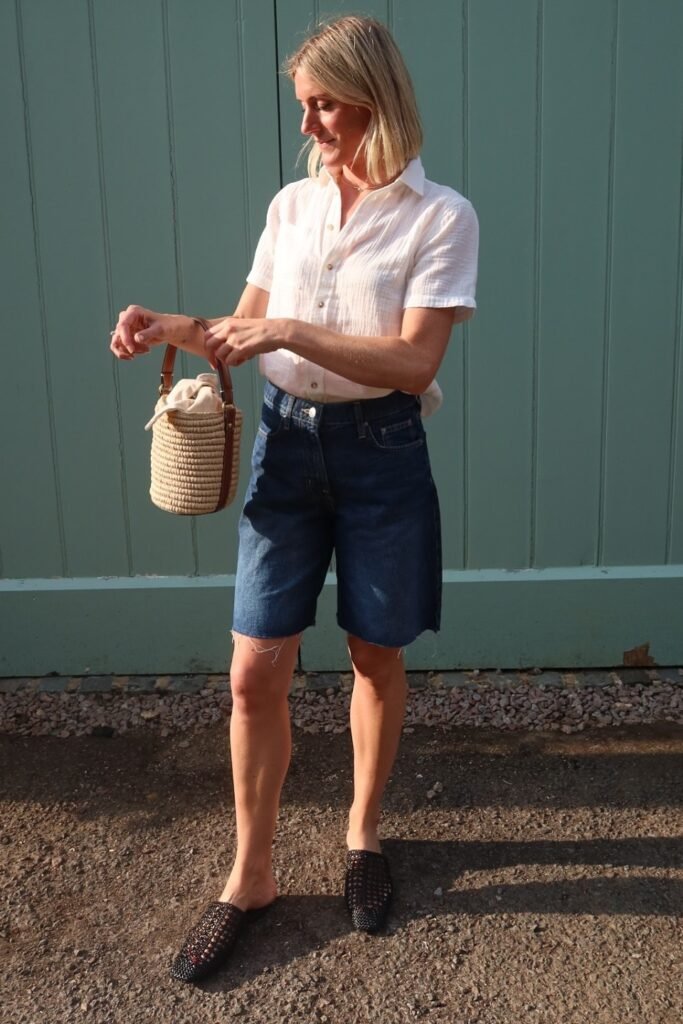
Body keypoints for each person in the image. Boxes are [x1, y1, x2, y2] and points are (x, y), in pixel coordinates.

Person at [110, 14, 478, 983]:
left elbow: (410, 359)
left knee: (372, 651)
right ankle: (253, 872)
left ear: (374, 98)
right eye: (302, 106)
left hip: (381, 453)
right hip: (283, 448)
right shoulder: (290, 207)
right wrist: (167, 327)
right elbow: (246, 327)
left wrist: (295, 332)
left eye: (322, 104)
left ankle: (360, 835)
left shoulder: (440, 218)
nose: (308, 125)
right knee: (252, 668)